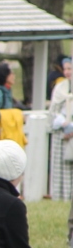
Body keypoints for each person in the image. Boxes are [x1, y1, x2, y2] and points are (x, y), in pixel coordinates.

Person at [49, 57, 73, 199]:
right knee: (62, 166)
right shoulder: (60, 88)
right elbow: (53, 111)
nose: (67, 72)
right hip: (62, 132)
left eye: (70, 68)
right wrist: (64, 123)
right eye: (65, 69)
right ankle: (61, 196)